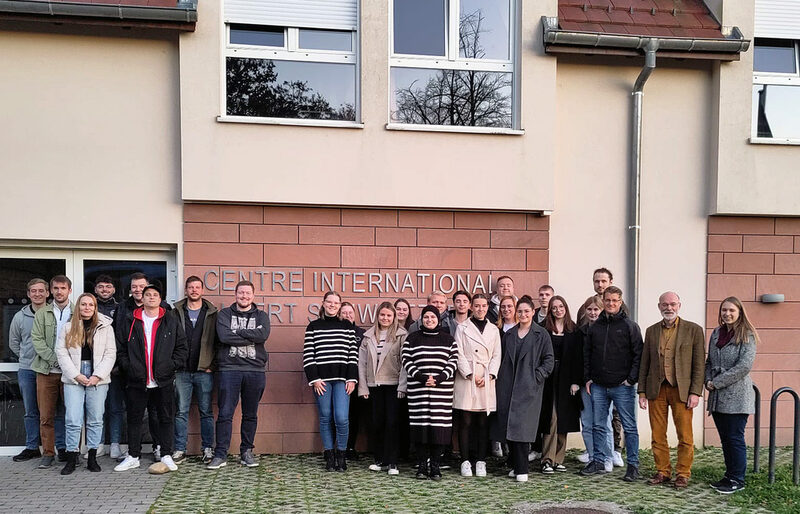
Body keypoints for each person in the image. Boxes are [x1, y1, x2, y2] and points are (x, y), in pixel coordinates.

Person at [114, 284, 187, 473]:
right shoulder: (131, 320)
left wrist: (170, 366)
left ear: (160, 298)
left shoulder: (170, 320)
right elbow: (121, 347)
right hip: (137, 379)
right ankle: (133, 456)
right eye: (148, 295)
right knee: (135, 418)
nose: (151, 297)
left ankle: (166, 455)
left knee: (165, 418)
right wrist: (128, 367)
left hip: (162, 379)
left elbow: (181, 348)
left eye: (155, 295)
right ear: (142, 298)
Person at [637, 292, 705, 489]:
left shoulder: (693, 330)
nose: (669, 308)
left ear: (679, 305)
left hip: (681, 390)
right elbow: (645, 363)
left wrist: (695, 392)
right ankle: (663, 471)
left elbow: (699, 364)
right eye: (665, 304)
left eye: (672, 304)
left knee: (685, 434)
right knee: (657, 434)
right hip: (656, 389)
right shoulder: (651, 331)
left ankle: (683, 473)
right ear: (659, 306)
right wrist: (641, 392)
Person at [581, 286, 643, 482]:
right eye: (608, 300)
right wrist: (588, 377)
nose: (611, 304)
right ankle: (598, 460)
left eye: (615, 300)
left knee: (629, 426)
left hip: (622, 386)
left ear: (620, 302)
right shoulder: (595, 327)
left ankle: (633, 465)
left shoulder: (629, 326)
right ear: (603, 301)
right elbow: (587, 354)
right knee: (599, 425)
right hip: (598, 385)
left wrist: (631, 379)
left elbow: (638, 355)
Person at [206, 280, 270, 470]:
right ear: (235, 294)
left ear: (253, 295)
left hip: (255, 371)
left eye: (248, 293)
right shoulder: (224, 314)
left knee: (250, 414)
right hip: (229, 370)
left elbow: (263, 335)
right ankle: (220, 454)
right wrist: (251, 334)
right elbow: (224, 337)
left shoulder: (262, 316)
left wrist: (237, 331)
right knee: (225, 413)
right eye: (241, 293)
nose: (244, 296)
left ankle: (246, 452)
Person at [492, 296, 554, 483]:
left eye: (527, 311)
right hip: (508, 386)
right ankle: (514, 465)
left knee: (523, 429)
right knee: (508, 426)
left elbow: (549, 360)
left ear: (533, 312)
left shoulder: (541, 334)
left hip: (529, 388)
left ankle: (522, 469)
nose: (523, 314)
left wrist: (537, 376)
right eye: (520, 311)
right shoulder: (509, 334)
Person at [110, 272, 169, 461]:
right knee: (133, 414)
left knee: (156, 413)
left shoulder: (166, 311)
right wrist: (127, 366)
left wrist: (170, 365)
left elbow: (177, 344)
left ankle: (158, 446)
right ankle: (133, 452)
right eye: (134, 286)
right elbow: (119, 340)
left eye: (141, 286)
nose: (138, 290)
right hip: (132, 374)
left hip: (158, 375)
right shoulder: (123, 310)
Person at [55, 293, 116, 475]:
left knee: (95, 418)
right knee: (73, 419)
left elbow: (110, 354)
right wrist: (76, 375)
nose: (87, 307)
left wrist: (98, 375)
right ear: (78, 307)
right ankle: (72, 457)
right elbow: (61, 353)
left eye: (91, 304)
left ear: (95, 307)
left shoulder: (105, 327)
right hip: (74, 376)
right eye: (83, 304)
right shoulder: (68, 328)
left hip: (98, 377)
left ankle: (92, 457)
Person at [705, 296, 758, 495]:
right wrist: (707, 380)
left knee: (735, 437)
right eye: (724, 310)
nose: (727, 314)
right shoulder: (717, 333)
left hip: (737, 395)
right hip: (717, 397)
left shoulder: (747, 334)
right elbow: (709, 361)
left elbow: (743, 367)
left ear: (739, 313)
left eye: (731, 311)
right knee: (725, 438)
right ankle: (729, 475)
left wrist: (716, 382)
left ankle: (738, 479)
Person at [303, 291, 359, 472]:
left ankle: (341, 454)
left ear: (340, 305)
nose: (333, 305)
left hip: (342, 380)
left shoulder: (347, 327)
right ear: (323, 303)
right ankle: (329, 454)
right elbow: (308, 355)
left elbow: (353, 356)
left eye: (336, 303)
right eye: (330, 302)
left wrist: (352, 379)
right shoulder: (313, 327)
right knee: (325, 416)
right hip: (322, 381)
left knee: (342, 418)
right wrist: (315, 379)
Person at [402, 305, 458, 481]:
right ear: (421, 319)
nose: (429, 320)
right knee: (421, 429)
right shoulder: (412, 338)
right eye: (426, 317)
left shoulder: (448, 339)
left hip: (441, 391)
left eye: (432, 317)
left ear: (438, 319)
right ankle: (421, 465)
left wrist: (440, 378)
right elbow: (406, 360)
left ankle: (435, 466)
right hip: (418, 391)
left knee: (438, 430)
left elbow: (453, 361)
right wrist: (420, 377)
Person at [453, 293, 501, 478]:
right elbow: (458, 353)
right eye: (477, 306)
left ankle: (481, 461)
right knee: (465, 420)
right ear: (471, 307)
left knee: (483, 421)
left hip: (487, 379)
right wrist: (471, 374)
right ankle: (465, 461)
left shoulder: (494, 329)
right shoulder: (462, 328)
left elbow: (497, 354)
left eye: (483, 306)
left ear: (487, 307)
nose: (480, 309)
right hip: (467, 378)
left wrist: (489, 375)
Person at [358, 301, 408, 475]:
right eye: (382, 315)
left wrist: (403, 386)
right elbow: (362, 364)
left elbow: (405, 363)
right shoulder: (368, 336)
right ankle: (380, 460)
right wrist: (363, 388)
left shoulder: (402, 335)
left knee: (392, 424)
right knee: (377, 423)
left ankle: (393, 462)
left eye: (389, 315)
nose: (385, 318)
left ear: (394, 317)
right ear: (377, 316)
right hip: (374, 386)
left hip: (393, 386)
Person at [172, 276, 218, 465]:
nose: (194, 290)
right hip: (181, 371)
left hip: (203, 371)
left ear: (202, 290)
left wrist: (212, 366)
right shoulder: (176, 312)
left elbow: (218, 343)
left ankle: (207, 449)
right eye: (190, 287)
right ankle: (180, 449)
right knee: (181, 412)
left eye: (197, 287)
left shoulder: (212, 313)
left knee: (206, 411)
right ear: (186, 290)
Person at [31, 275, 73, 468]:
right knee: (46, 415)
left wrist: (68, 363)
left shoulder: (77, 312)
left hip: (71, 373)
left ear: (69, 290)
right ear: (51, 291)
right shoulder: (43, 313)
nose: (59, 292)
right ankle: (48, 453)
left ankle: (67, 451)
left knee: (71, 415)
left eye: (62, 288)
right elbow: (37, 340)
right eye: (55, 288)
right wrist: (56, 359)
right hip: (46, 370)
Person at [539, 296, 582, 474]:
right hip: (548, 377)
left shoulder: (574, 329)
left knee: (564, 418)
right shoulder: (543, 329)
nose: (558, 310)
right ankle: (547, 459)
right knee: (552, 417)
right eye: (554, 307)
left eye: (561, 306)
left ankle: (558, 459)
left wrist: (575, 381)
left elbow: (578, 357)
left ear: (565, 307)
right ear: (550, 310)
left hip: (567, 378)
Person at [9, 278, 50, 462]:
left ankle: (58, 447)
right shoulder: (20, 317)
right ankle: (32, 446)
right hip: (27, 369)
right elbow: (14, 343)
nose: (37, 294)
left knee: (53, 411)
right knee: (30, 410)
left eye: (41, 291)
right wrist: (27, 358)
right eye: (34, 291)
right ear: (28, 294)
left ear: (47, 293)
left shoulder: (53, 314)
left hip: (50, 369)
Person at [575, 296, 613, 471]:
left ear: (602, 310)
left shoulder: (609, 330)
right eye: (589, 309)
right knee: (588, 423)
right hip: (585, 384)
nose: (592, 312)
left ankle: (607, 457)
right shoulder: (580, 332)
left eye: (596, 309)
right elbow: (576, 359)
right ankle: (592, 457)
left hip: (603, 384)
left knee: (604, 423)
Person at [341, 301, 367, 461]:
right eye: (344, 313)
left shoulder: (362, 334)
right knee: (337, 416)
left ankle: (350, 447)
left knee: (353, 416)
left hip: (356, 382)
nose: (348, 315)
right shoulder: (334, 331)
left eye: (350, 312)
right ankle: (336, 447)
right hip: (337, 380)